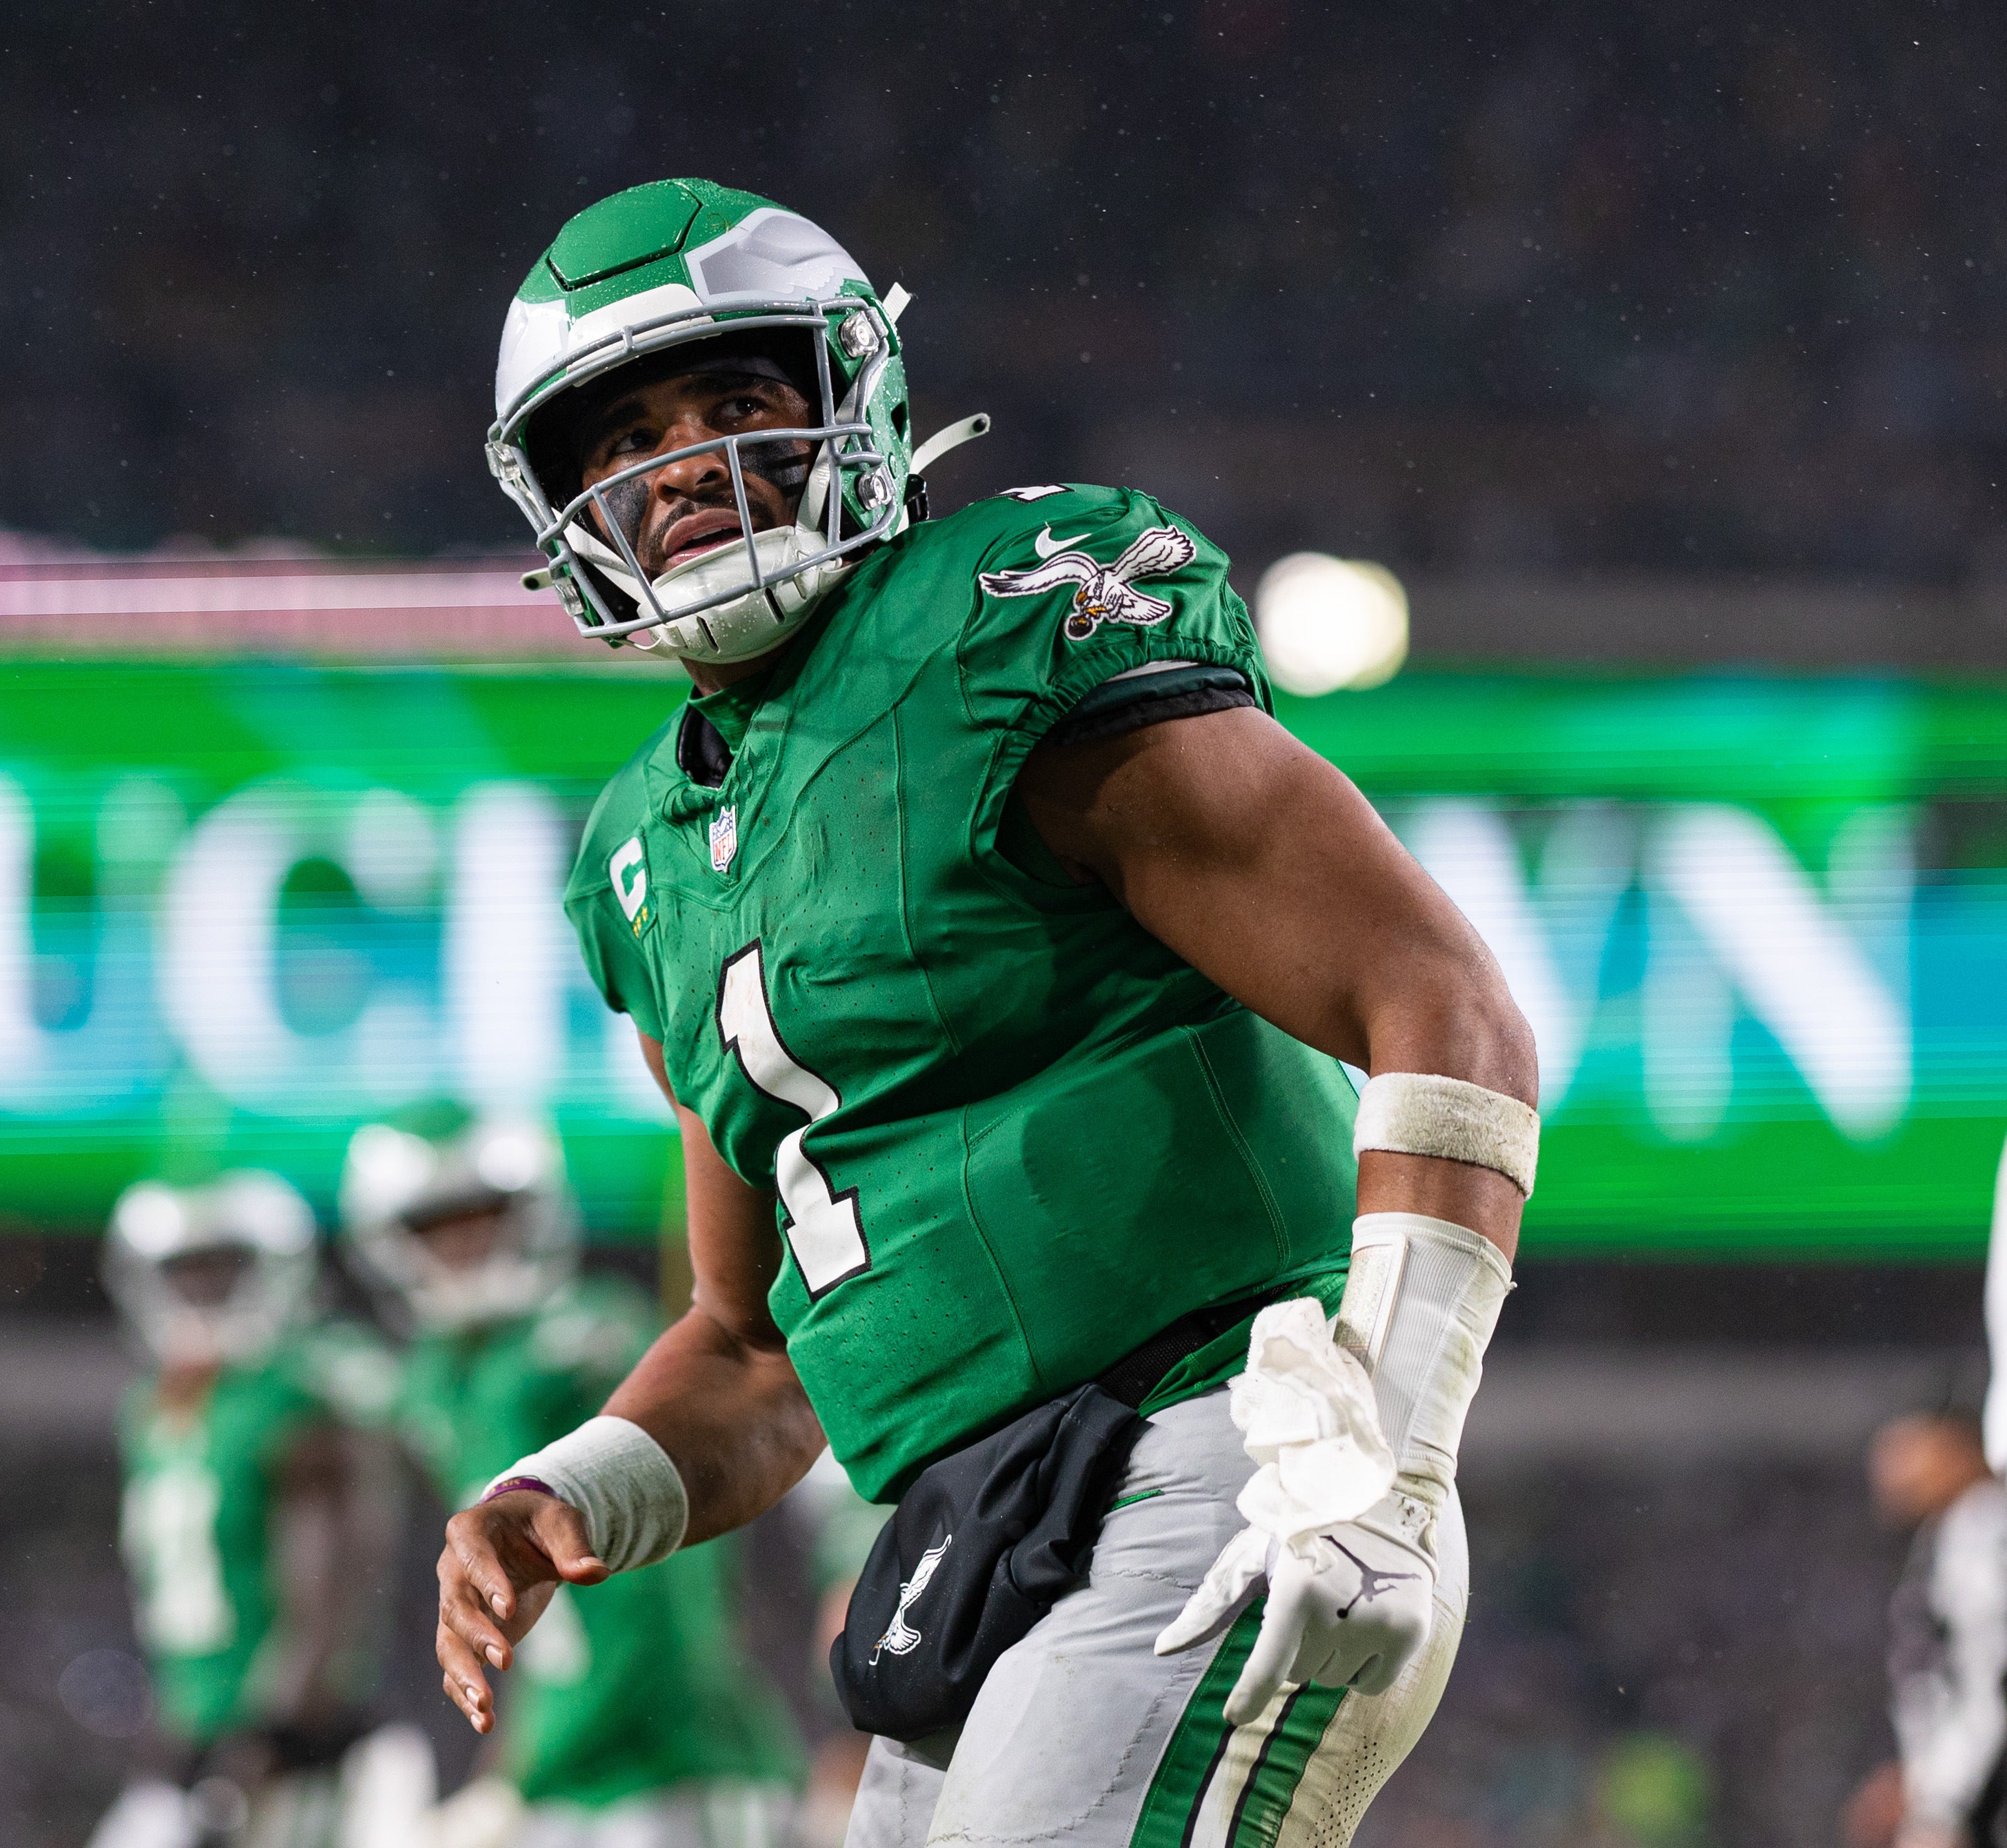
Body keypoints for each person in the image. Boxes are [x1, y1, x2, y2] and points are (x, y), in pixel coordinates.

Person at [435, 178, 1540, 1846]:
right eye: (623, 437)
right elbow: (751, 1347)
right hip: (968, 1534)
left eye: (736, 403)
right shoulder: (638, 859)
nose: (677, 468)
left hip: (1224, 1446)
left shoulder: (1002, 615)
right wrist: (568, 1484)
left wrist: (1383, 1453)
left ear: (854, 402)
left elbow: (1437, 997)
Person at [341, 1113, 798, 1848]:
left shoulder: (583, 1344)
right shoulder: (442, 1375)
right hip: (571, 1766)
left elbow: (644, 1608)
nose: (464, 1246)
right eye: (437, 1226)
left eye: (483, 1217)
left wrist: (513, 1781)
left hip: (671, 1758)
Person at [94, 1171, 399, 1848]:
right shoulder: (154, 1410)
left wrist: (267, 1741)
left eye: (223, 1268)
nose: (203, 1290)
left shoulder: (298, 1393)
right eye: (185, 1271)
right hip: (198, 1740)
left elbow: (330, 1597)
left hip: (294, 1754)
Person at [1846, 1411, 2007, 1848]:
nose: (1889, 1468)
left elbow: (1988, 1677)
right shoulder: (1953, 1532)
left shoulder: (1985, 1528)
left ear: (1957, 1445)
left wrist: (1947, 1808)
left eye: (1907, 1447)